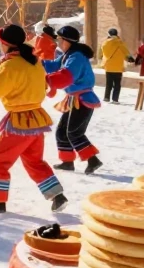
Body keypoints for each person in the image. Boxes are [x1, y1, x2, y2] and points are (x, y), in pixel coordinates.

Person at [0, 25, 67, 214]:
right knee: (34, 161)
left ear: (5, 43)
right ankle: (57, 195)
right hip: (37, 119)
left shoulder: (10, 65)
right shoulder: (34, 61)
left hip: (19, 121)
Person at [43, 27, 103, 174]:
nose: (57, 43)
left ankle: (93, 160)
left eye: (59, 39)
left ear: (66, 41)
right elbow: (53, 66)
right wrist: (36, 63)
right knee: (62, 131)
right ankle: (67, 162)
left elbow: (66, 76)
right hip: (72, 99)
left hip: (82, 99)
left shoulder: (76, 57)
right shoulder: (68, 55)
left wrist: (46, 80)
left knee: (74, 132)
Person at [100, 29, 130, 104]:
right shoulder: (120, 42)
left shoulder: (105, 43)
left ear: (109, 34)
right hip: (118, 67)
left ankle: (106, 97)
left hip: (108, 66)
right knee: (117, 84)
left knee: (108, 83)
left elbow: (101, 53)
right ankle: (115, 99)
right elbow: (126, 52)